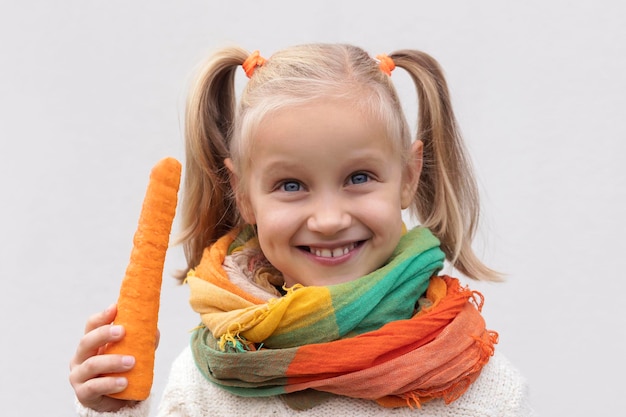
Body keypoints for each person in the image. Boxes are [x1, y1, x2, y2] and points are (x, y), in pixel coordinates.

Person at [69, 43, 534, 416]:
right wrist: (114, 409)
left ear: (409, 176)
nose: (329, 219)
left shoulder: (478, 386)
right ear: (244, 194)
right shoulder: (205, 383)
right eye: (291, 185)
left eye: (359, 178)